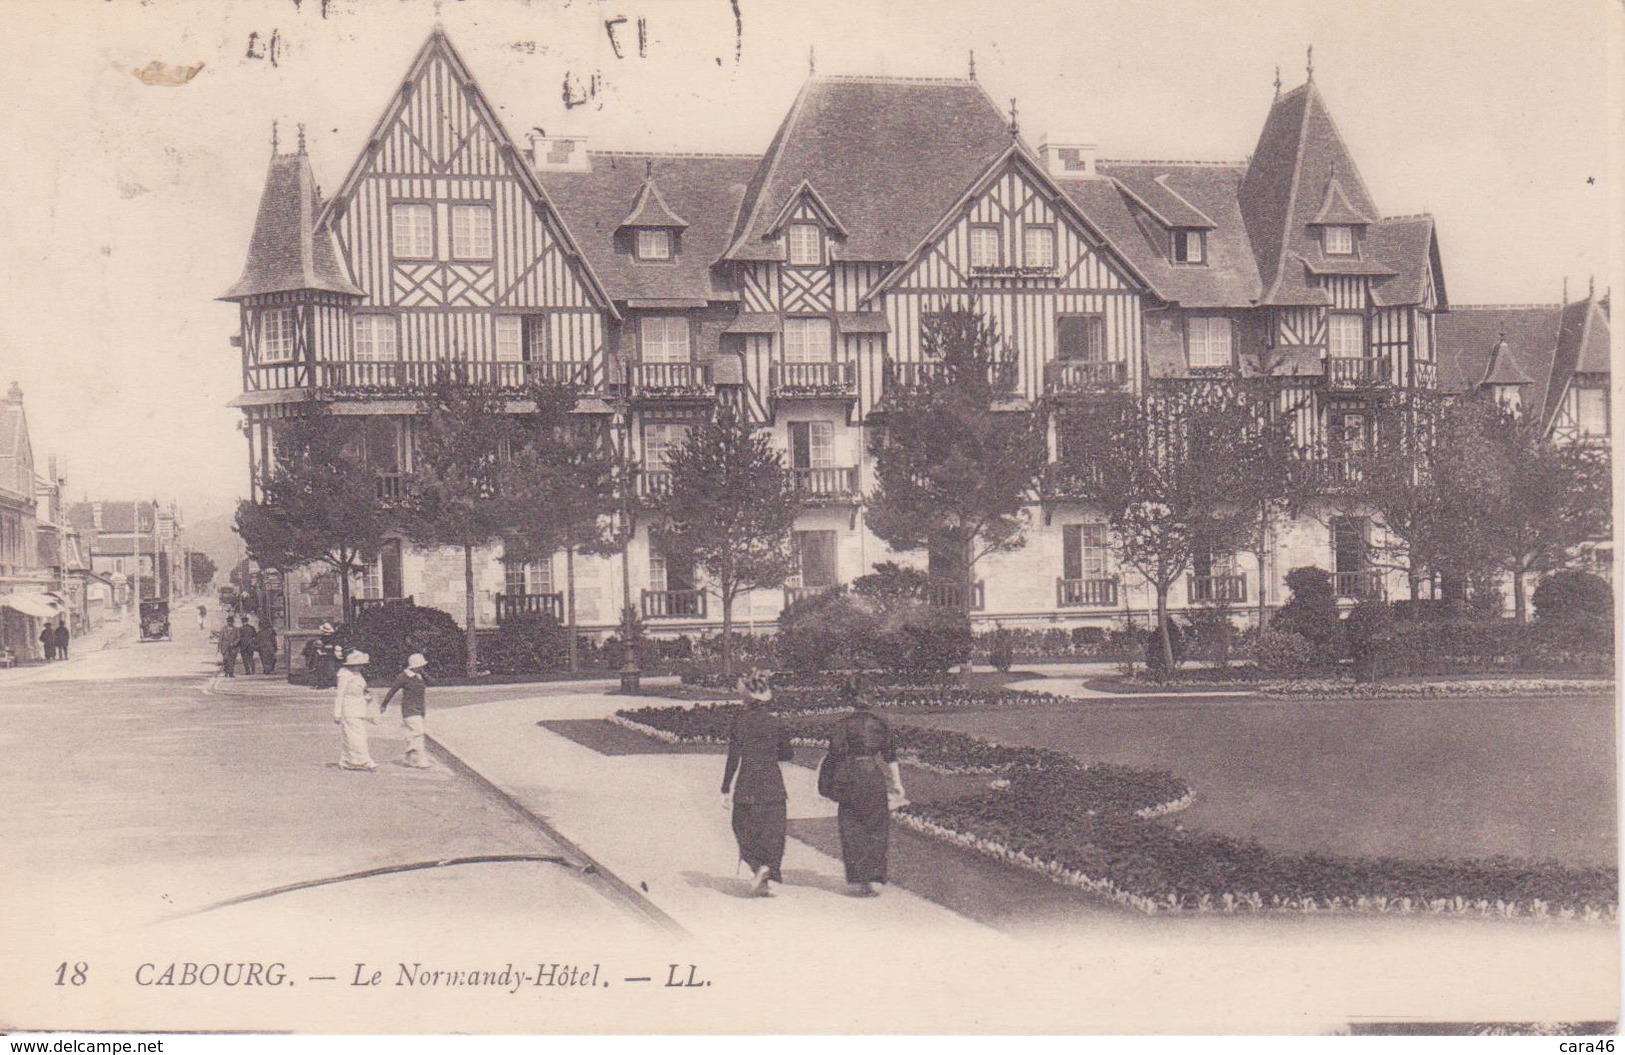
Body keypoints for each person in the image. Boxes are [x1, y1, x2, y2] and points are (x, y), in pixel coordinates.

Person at [824, 677, 906, 897]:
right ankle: (875, 877)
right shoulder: (879, 724)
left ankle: (860, 876)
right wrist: (897, 782)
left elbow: (834, 755)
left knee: (851, 825)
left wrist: (828, 782)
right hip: (872, 776)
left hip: (850, 776)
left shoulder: (842, 725)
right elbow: (890, 755)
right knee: (876, 826)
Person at [720, 670, 794, 896]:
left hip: (747, 782)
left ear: (747, 696)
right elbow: (787, 753)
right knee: (772, 830)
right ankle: (770, 873)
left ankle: (758, 867)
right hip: (772, 782)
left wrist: (725, 787)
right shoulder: (776, 723)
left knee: (743, 826)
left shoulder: (740, 722)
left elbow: (733, 757)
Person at [379, 653, 432, 768]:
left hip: (420, 708)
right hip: (409, 709)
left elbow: (432, 682)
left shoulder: (420, 675)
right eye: (420, 666)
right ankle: (420, 760)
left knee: (415, 734)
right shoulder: (404, 676)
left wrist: (422, 673)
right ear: (414, 665)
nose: (422, 667)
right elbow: (392, 690)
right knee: (418, 732)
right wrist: (384, 704)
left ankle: (407, 758)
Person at [333, 650, 377, 771]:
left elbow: (361, 690)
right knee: (355, 736)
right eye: (359, 664)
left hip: (359, 708)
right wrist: (337, 713)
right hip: (348, 708)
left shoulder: (358, 675)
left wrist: (367, 696)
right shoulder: (344, 675)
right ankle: (362, 760)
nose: (361, 666)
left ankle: (348, 760)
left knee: (356, 735)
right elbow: (340, 694)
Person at [311, 622, 340, 689]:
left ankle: (330, 684)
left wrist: (323, 647)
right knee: (324, 669)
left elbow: (332, 646)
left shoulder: (331, 638)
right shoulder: (324, 637)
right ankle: (324, 683)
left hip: (329, 655)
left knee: (329, 669)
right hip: (325, 655)